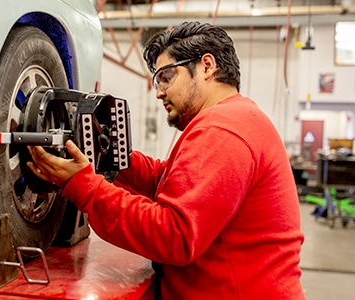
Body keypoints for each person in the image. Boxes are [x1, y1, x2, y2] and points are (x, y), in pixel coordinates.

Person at [27, 21, 305, 299]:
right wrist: (113, 157)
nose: (159, 91)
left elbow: (175, 236)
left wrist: (85, 186)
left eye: (166, 77)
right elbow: (170, 182)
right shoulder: (238, 118)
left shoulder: (221, 131)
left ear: (207, 66)